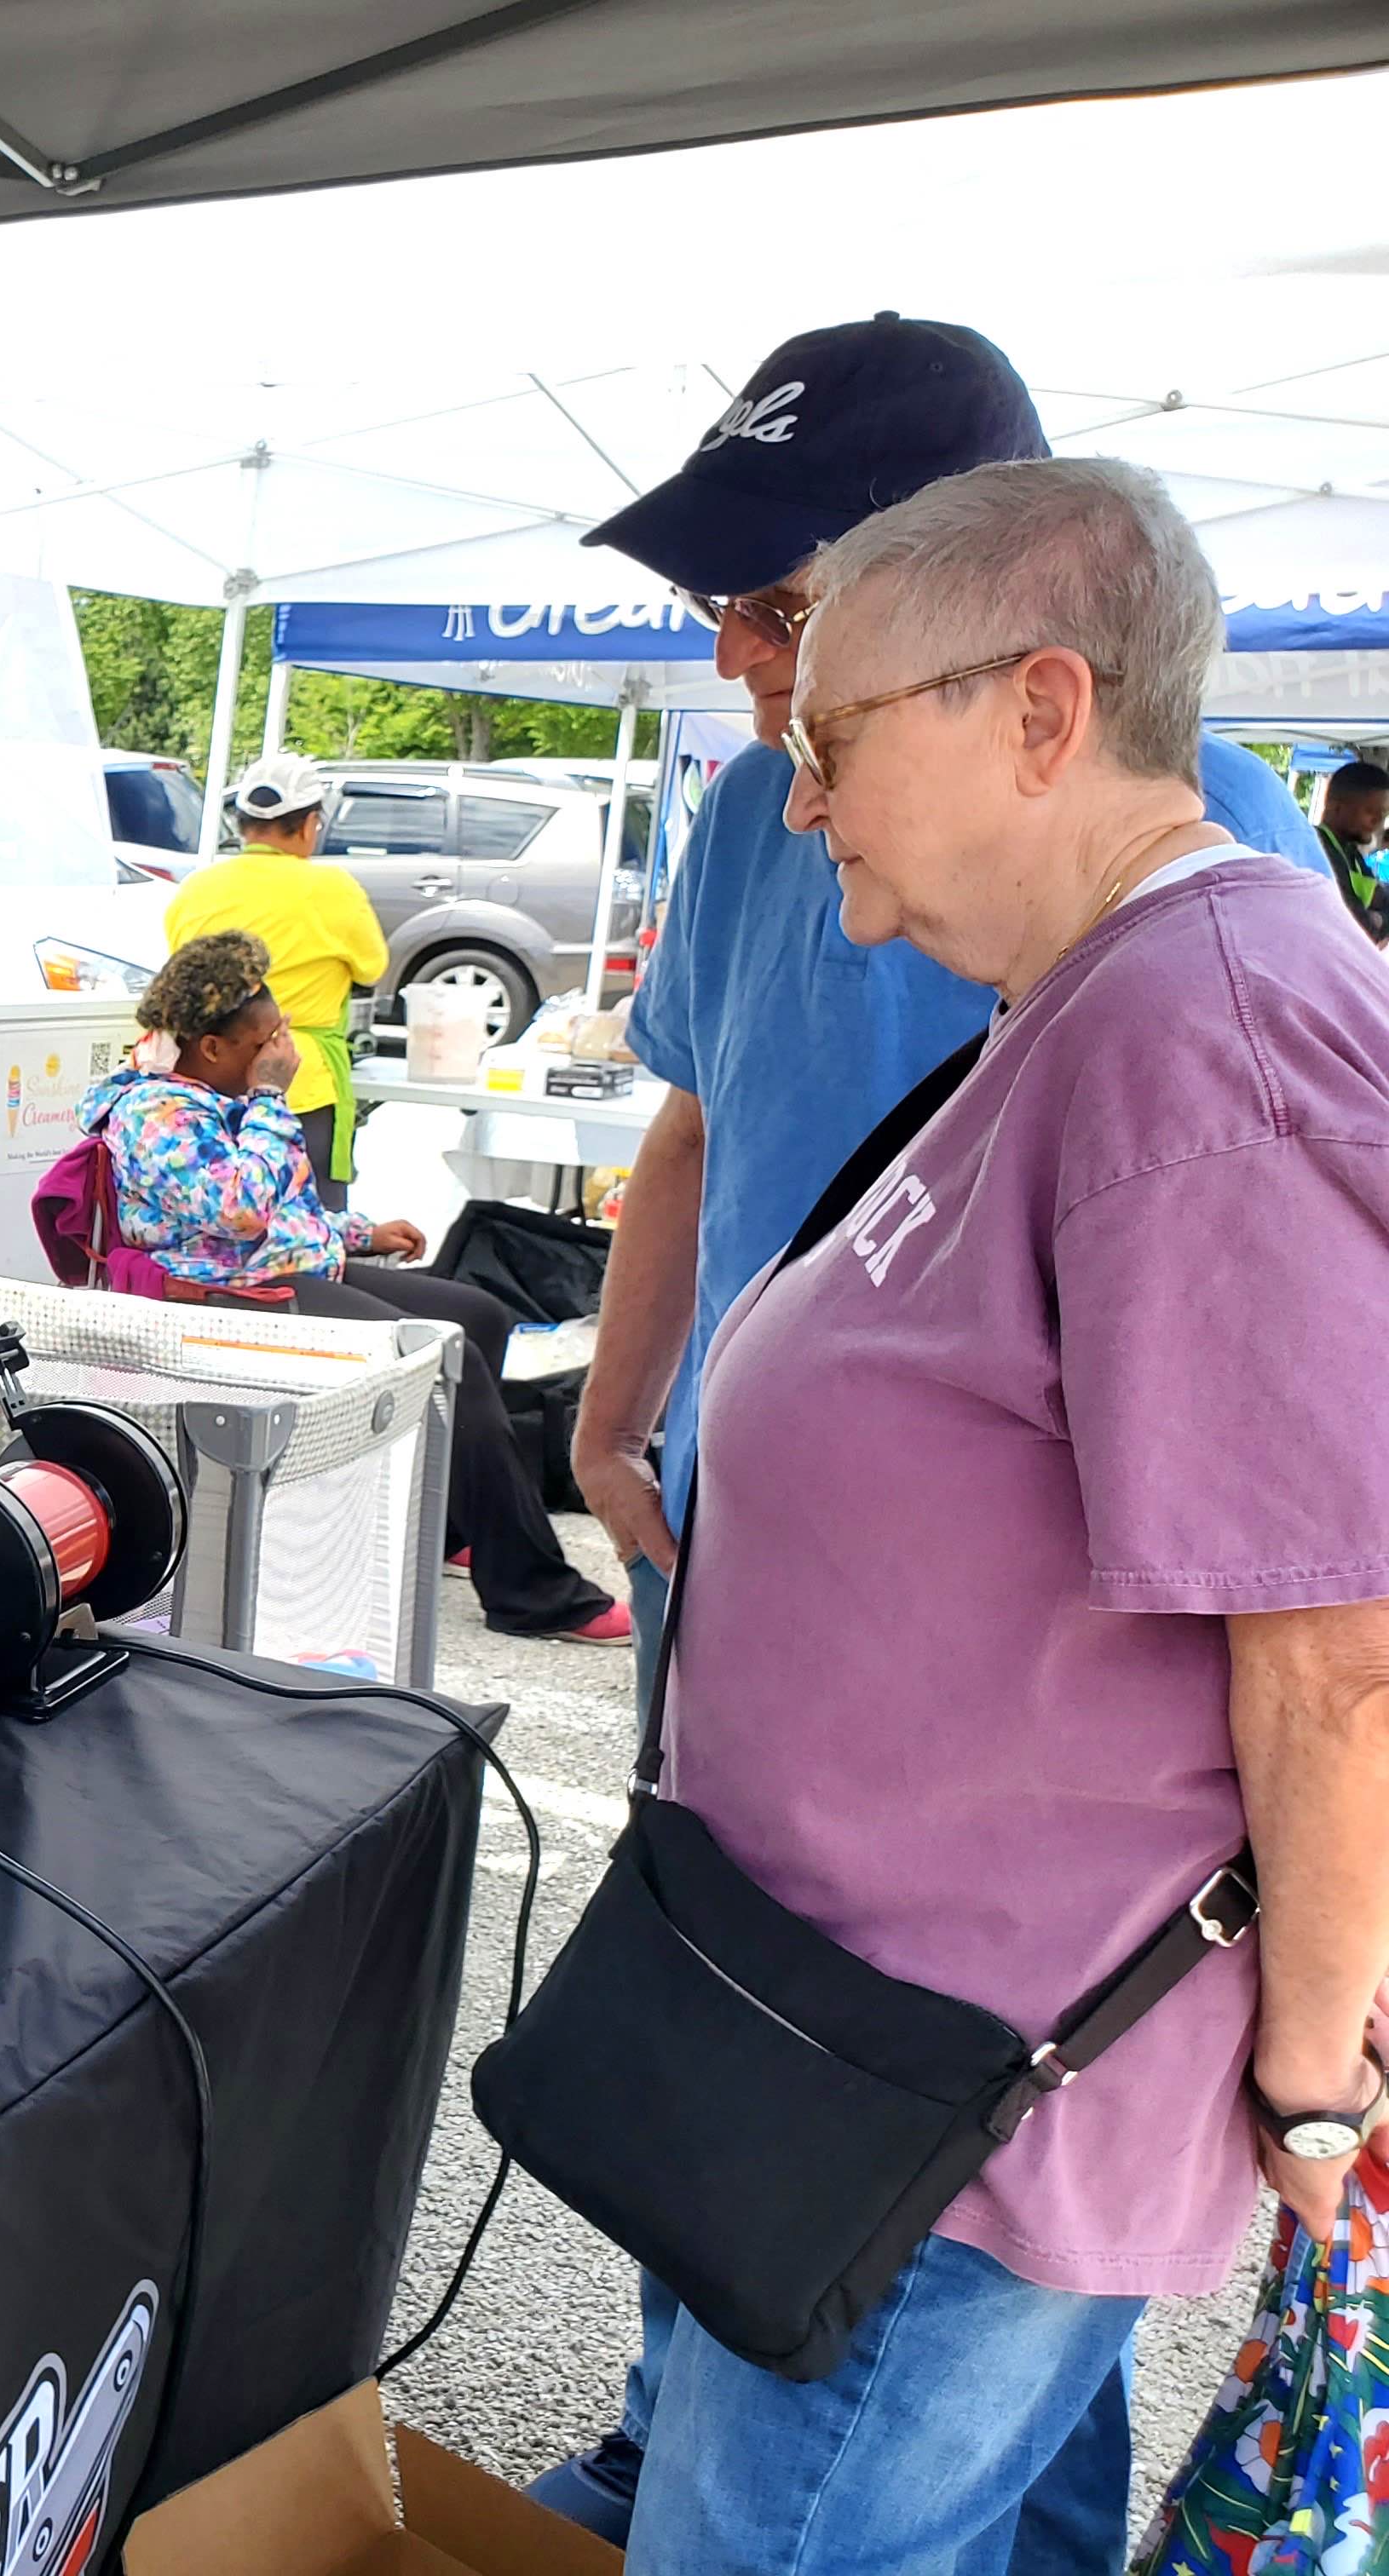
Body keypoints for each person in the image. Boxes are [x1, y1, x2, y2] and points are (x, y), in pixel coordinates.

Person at [537, 315, 1321, 2539]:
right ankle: (699, 2421)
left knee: (951, 2210)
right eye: (731, 612)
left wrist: (1322, 2050)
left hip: (1006, 1754)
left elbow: (1310, 1572)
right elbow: (691, 1116)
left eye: (787, 610)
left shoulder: (1206, 879)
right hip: (746, 1578)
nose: (744, 672)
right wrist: (627, 1414)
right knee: (731, 2087)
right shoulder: (749, 809)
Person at [84, 932, 625, 1645]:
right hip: (227, 1298)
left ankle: (451, 1524)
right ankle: (532, 1592)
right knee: (442, 1357)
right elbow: (239, 1208)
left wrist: (359, 1232)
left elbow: (279, 1213)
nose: (282, 1048)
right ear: (213, 1047)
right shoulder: (160, 1115)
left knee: (480, 1316)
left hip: (274, 1271)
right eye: (266, 1039)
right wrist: (275, 1097)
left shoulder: (212, 1093)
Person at [161, 752, 386, 1203]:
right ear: (308, 825)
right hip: (297, 1079)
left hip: (204, 1078)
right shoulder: (334, 890)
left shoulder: (197, 888)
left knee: (217, 1227)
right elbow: (371, 967)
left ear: (242, 824)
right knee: (308, 1226)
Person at [1318, 758, 1388, 938]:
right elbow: (1358, 929)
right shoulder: (1319, 849)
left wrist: (1378, 919)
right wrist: (1372, 920)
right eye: (1370, 812)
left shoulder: (1351, 853)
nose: (1378, 821)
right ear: (1335, 806)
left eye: (1383, 814)